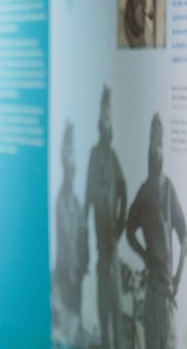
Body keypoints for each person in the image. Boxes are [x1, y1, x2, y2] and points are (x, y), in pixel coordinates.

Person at [126, 113, 186, 349]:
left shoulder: (169, 189)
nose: (156, 149)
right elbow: (129, 231)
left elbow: (184, 236)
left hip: (168, 293)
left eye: (160, 143)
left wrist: (178, 279)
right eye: (153, 141)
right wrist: (145, 256)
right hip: (152, 290)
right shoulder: (143, 193)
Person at [83, 86, 127, 349]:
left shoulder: (113, 157)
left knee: (116, 302)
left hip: (112, 242)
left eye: (109, 119)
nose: (106, 124)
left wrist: (119, 227)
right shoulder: (94, 155)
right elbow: (88, 195)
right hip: (100, 243)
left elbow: (124, 190)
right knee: (103, 303)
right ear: (99, 124)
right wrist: (84, 232)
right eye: (103, 119)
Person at [52, 122, 88, 346]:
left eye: (73, 152)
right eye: (67, 152)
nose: (70, 158)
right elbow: (65, 243)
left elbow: (83, 238)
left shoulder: (75, 201)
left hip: (77, 281)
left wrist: (84, 264)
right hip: (66, 280)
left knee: (76, 334)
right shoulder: (62, 200)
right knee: (67, 335)